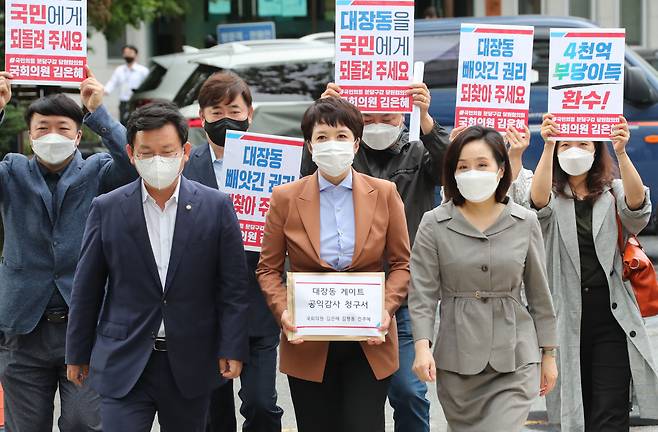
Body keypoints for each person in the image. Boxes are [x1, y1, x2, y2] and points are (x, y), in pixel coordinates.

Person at [84, 70, 284, 432]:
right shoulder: (185, 166)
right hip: (197, 316)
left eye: (234, 110)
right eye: (216, 112)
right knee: (212, 413)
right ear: (202, 117)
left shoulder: (276, 163)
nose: (226, 119)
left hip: (254, 302)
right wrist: (99, 114)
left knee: (261, 404)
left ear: (250, 112)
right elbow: (137, 157)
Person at [65, 102, 250, 432]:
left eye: (166, 151)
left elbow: (233, 287)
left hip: (190, 359)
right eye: (146, 152)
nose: (157, 160)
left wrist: (232, 346)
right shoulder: (107, 208)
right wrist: (76, 353)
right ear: (131, 153)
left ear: (185, 151)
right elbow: (87, 288)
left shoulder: (216, 206)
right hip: (124, 357)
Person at [301, 81, 448, 432]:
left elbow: (447, 168)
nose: (379, 122)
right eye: (369, 116)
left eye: (388, 114)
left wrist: (426, 118)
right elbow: (306, 181)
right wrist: (326, 116)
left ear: (404, 114)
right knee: (352, 397)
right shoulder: (344, 155)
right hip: (347, 295)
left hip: (405, 291)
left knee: (409, 391)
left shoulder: (417, 152)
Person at [257, 97, 410, 432]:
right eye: (322, 137)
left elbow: (401, 264)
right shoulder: (285, 197)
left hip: (369, 338)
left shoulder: (384, 193)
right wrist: (283, 312)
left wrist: (385, 309)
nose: (332, 145)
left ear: (356, 144)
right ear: (309, 146)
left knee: (364, 424)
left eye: (341, 137)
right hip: (309, 337)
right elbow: (268, 269)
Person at [0, 67, 136, 431]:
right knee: (25, 426)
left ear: (78, 136)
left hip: (86, 324)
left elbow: (134, 162)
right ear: (29, 136)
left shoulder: (98, 171)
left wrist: (99, 114)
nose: (52, 135)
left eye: (63, 128)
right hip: (23, 326)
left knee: (83, 422)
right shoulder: (11, 171)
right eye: (43, 128)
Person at [409, 125, 559, 432]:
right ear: (451, 172)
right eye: (462, 166)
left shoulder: (525, 221)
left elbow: (539, 293)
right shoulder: (434, 223)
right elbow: (423, 293)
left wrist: (549, 354)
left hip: (515, 356)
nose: (472, 173)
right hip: (457, 359)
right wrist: (422, 346)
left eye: (482, 165)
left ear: (501, 169)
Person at [530, 114, 658, 431]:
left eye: (584, 143)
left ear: (596, 149)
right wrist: (547, 146)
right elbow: (536, 204)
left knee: (611, 411)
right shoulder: (552, 195)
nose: (575, 151)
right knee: (577, 411)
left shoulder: (612, 192)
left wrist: (623, 151)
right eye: (566, 145)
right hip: (566, 314)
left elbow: (638, 208)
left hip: (612, 315)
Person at [104, 44, 149, 125]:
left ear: (136, 55)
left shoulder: (143, 71)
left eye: (130, 52)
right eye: (126, 52)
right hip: (123, 102)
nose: (128, 54)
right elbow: (112, 82)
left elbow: (148, 86)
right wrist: (104, 91)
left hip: (137, 102)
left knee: (137, 123)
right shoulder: (119, 70)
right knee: (124, 123)